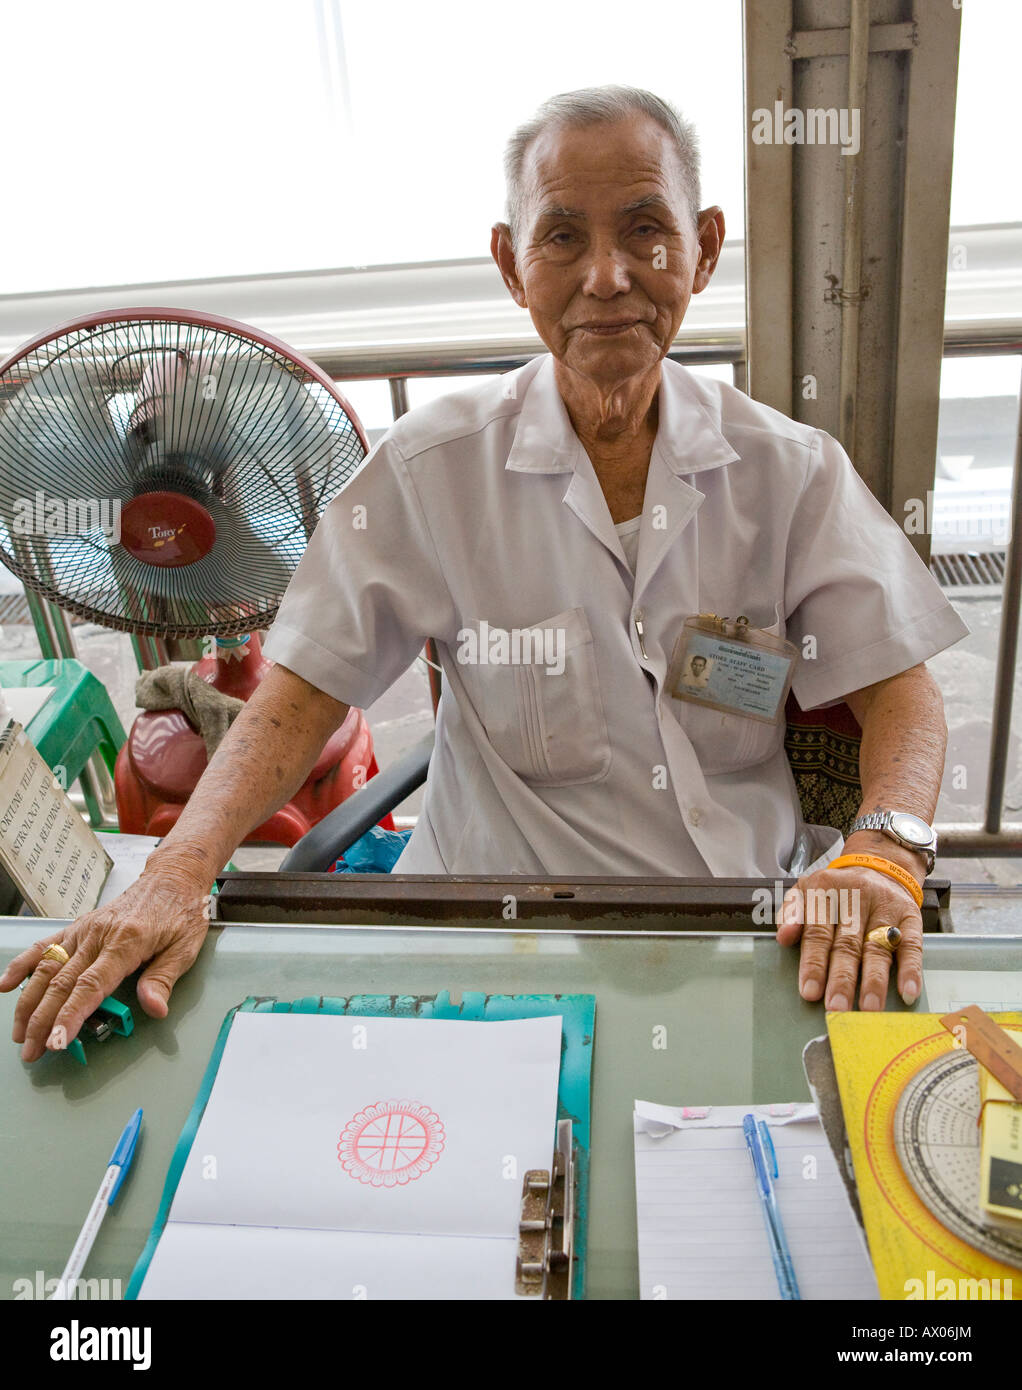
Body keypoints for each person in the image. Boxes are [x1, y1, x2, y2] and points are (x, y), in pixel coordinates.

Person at [3, 86, 967, 1064]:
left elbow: (899, 686)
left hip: (747, 926)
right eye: (560, 238)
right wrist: (177, 869)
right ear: (510, 264)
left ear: (703, 248)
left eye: (644, 230)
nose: (605, 276)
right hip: (493, 939)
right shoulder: (432, 473)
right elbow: (301, 691)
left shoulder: (788, 472)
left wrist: (882, 848)